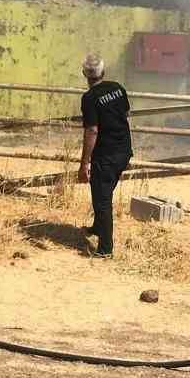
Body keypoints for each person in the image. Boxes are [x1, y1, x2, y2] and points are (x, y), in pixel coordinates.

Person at [78, 53, 132, 259]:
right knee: (101, 189)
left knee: (102, 198)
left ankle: (105, 249)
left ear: (85, 74)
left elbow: (92, 130)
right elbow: (127, 117)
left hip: (106, 154)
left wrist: (84, 163)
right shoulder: (118, 88)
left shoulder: (89, 98)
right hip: (123, 150)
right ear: (104, 73)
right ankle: (98, 227)